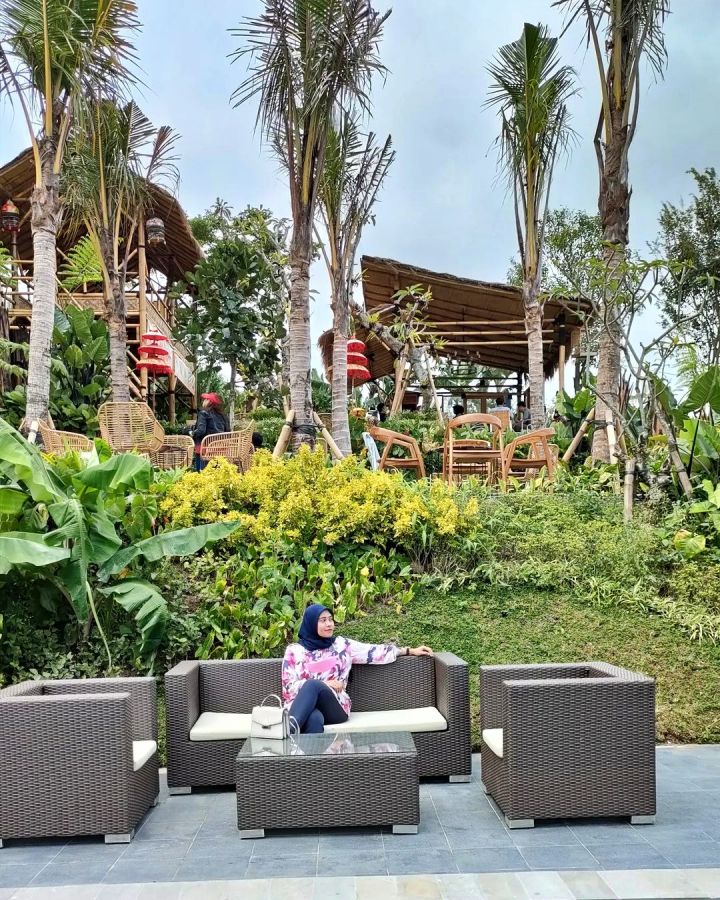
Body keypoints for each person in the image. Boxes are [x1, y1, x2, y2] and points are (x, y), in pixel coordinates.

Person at [282, 603, 433, 734]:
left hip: (335, 707)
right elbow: (288, 689)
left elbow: (372, 652)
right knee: (313, 720)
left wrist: (408, 650)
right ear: (310, 623)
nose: (329, 624)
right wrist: (325, 684)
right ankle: (307, 759)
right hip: (303, 708)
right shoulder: (294, 651)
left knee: (312, 685)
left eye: (330, 619)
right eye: (323, 620)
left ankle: (285, 734)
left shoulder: (341, 645)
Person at [191, 393, 229, 471]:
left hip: (205, 449)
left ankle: (200, 473)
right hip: (221, 449)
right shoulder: (224, 416)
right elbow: (228, 432)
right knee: (217, 471)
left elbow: (201, 431)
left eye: (206, 399)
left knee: (201, 471)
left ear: (210, 402)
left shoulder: (204, 413)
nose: (203, 401)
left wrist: (191, 433)